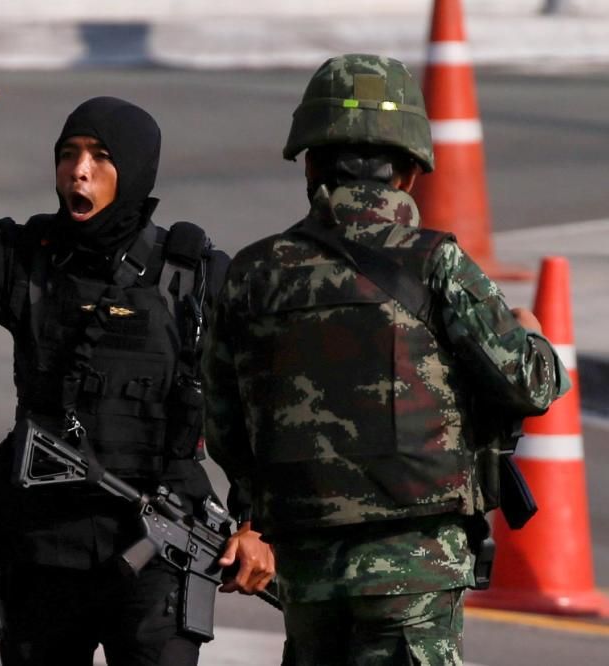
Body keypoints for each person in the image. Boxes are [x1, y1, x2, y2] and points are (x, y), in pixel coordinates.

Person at [0, 34, 274, 666]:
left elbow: (262, 403)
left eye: (100, 157)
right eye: (68, 154)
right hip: (40, 548)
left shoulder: (194, 278)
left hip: (159, 551)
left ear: (135, 169)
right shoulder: (26, 260)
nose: (78, 171)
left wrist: (254, 525)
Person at [202, 54, 570, 666]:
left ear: (310, 163)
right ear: (409, 171)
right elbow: (530, 385)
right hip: (416, 574)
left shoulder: (253, 274)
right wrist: (533, 334)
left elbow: (224, 425)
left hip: (308, 571)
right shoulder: (437, 264)